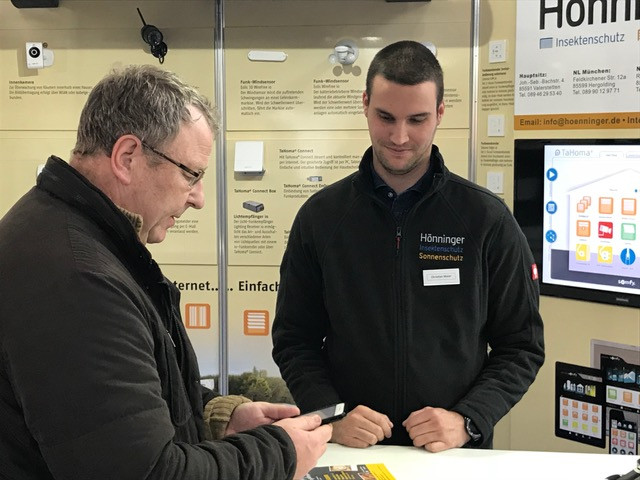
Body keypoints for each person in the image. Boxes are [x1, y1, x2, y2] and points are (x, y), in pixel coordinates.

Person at [0, 65, 331, 480]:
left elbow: (116, 412)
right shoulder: (79, 278)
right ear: (126, 157)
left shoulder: (75, 235)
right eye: (191, 174)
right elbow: (148, 472)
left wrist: (215, 416)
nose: (199, 199)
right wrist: (281, 453)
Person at [272, 40, 545, 453]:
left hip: (451, 454)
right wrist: (332, 413)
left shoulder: (485, 219)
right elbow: (295, 340)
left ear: (439, 113)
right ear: (365, 104)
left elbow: (521, 345)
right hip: (351, 450)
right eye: (386, 117)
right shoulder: (321, 218)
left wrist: (469, 419)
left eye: (417, 119)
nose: (400, 137)